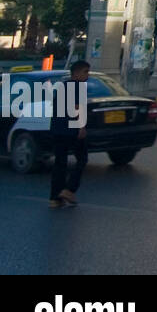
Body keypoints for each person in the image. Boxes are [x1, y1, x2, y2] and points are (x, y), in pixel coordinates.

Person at [49, 61, 91, 209]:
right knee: (82, 159)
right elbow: (77, 108)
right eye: (85, 72)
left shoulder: (62, 86)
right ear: (76, 73)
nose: (88, 75)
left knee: (60, 163)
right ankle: (69, 190)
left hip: (57, 129)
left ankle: (55, 198)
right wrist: (81, 127)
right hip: (71, 130)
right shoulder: (78, 87)